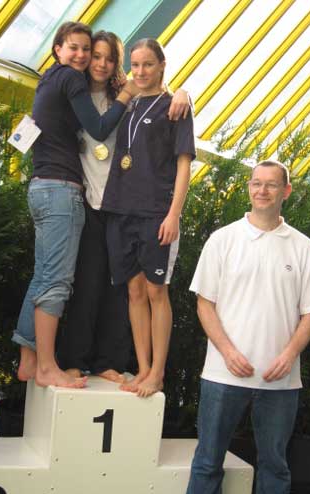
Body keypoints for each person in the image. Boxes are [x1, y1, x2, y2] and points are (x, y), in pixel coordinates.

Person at [178, 160, 310, 494]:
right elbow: (204, 304)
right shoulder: (223, 240)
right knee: (209, 456)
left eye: (271, 185)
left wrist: (289, 355)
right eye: (256, 183)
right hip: (222, 373)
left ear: (286, 191)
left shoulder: (302, 247)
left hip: (281, 380)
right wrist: (227, 351)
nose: (262, 191)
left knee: (275, 463)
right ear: (249, 187)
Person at [13, 21, 139, 389]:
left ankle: (30, 361)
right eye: (76, 48)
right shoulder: (70, 78)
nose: (84, 57)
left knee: (43, 277)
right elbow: (98, 128)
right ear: (57, 49)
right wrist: (126, 94)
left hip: (44, 187)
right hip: (61, 189)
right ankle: (46, 366)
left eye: (90, 50)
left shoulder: (50, 80)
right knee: (56, 282)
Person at [101, 38, 196, 397]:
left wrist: (174, 214)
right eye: (135, 65)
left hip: (156, 212)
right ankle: (142, 368)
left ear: (162, 66)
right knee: (134, 290)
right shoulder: (125, 102)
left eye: (148, 65)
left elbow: (184, 165)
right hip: (120, 210)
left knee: (157, 290)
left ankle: (157, 373)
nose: (140, 72)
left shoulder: (176, 107)